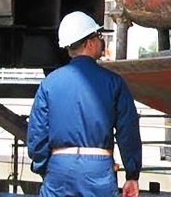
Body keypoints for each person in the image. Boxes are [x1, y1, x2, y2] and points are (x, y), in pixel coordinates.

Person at [27, 11, 142, 197]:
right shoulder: (114, 83)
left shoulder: (49, 84)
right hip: (98, 170)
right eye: (99, 36)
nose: (101, 41)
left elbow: (37, 134)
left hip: (59, 166)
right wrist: (132, 173)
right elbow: (128, 131)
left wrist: (44, 167)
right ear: (89, 43)